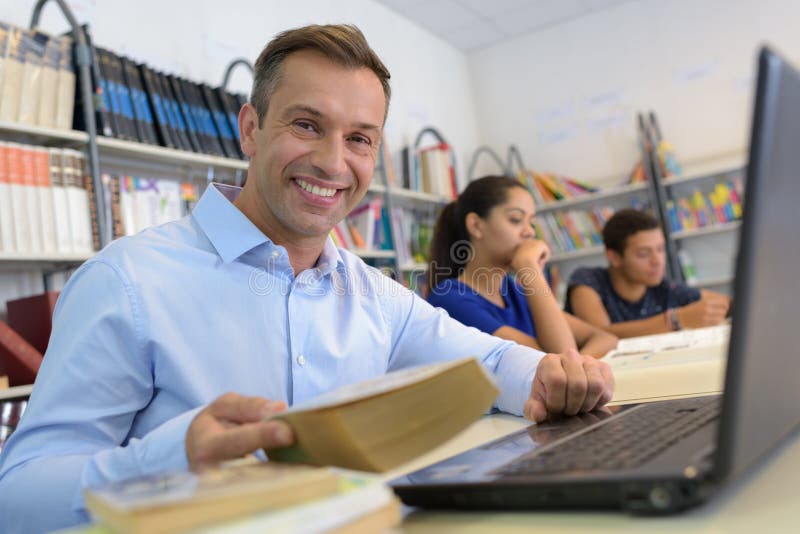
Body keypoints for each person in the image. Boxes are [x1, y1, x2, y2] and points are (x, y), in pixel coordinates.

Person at [0, 25, 614, 532]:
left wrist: (552, 378)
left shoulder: (374, 294)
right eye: (305, 125)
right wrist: (173, 455)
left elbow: (490, 363)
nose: (332, 161)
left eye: (359, 139)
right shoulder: (126, 281)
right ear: (249, 129)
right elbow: (18, 494)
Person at [427, 175, 618, 358]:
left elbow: (604, 338)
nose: (529, 232)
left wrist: (578, 362)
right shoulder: (450, 299)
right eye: (516, 220)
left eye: (531, 222)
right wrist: (529, 266)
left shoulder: (515, 291)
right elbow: (556, 360)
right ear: (476, 225)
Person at [565, 209, 731, 338]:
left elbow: (722, 304)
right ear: (614, 257)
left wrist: (714, 309)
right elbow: (600, 333)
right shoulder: (587, 281)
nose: (657, 261)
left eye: (660, 249)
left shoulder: (664, 287)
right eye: (644, 253)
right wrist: (675, 320)